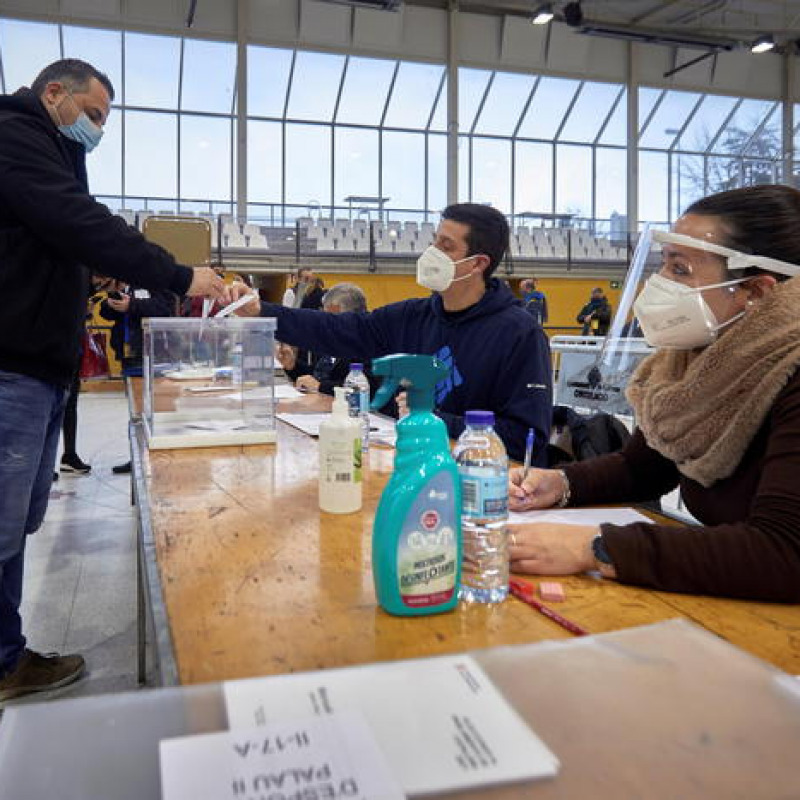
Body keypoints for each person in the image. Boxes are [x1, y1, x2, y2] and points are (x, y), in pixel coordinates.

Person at [0, 58, 226, 701]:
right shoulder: (16, 136)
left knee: (13, 525)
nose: (98, 128)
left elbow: (60, 233)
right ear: (53, 94)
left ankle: (6, 656)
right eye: (93, 115)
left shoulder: (51, 149)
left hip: (38, 366)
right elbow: (77, 221)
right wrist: (178, 275)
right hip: (11, 365)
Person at [507, 184, 800, 603]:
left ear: (755, 292)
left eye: (680, 271)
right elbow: (643, 468)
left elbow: (785, 552)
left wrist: (594, 547)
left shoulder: (790, 367)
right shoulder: (695, 360)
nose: (659, 285)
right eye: (664, 267)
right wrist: (558, 483)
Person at [230, 203, 552, 463]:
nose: (431, 252)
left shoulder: (520, 334)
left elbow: (527, 441)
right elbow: (335, 329)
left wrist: (434, 420)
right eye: (434, 241)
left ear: (477, 263)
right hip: (409, 463)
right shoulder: (411, 316)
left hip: (477, 483)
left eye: (446, 246)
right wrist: (263, 311)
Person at [278, 283, 378, 396]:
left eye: (330, 318)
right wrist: (293, 366)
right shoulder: (332, 338)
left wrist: (321, 387)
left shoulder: (370, 341)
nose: (326, 324)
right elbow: (319, 376)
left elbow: (365, 387)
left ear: (349, 315)